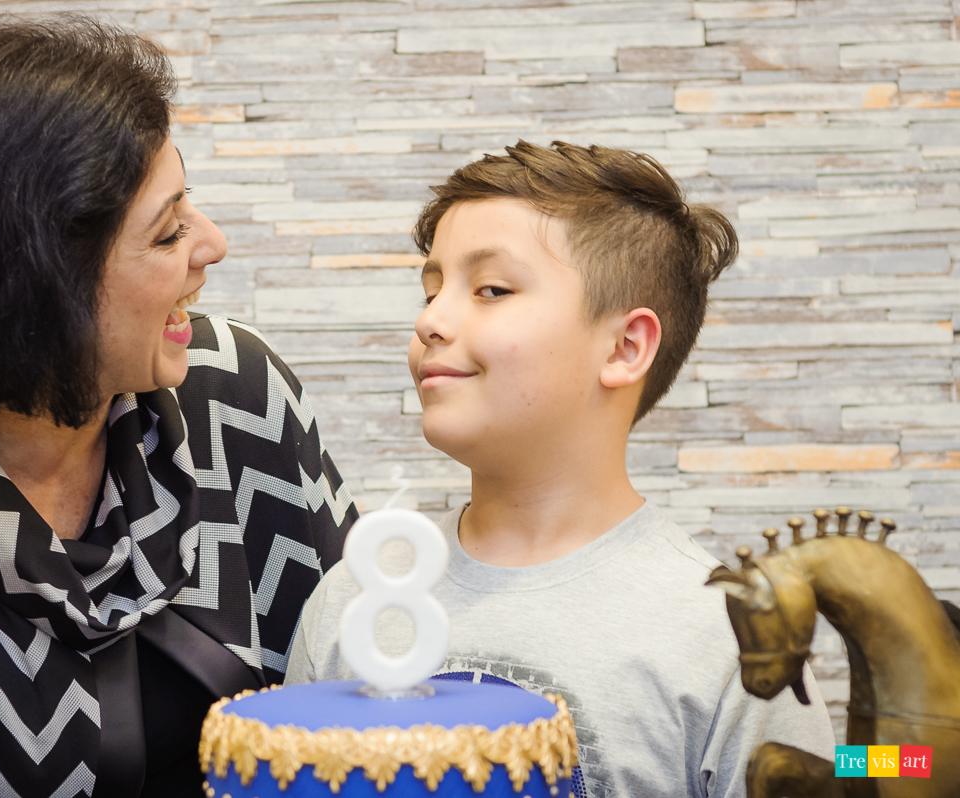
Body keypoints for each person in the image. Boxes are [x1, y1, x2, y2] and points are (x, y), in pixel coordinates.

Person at [0, 18, 356, 798]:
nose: (211, 244)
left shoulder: (234, 393)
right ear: (34, 293)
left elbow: (365, 690)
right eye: (167, 232)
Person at [285, 141, 837, 797]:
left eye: (490, 289)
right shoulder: (353, 600)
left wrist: (909, 758)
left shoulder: (729, 639)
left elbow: (864, 764)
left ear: (626, 347)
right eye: (431, 289)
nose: (430, 319)